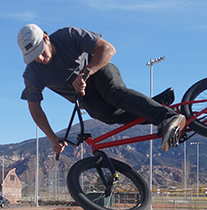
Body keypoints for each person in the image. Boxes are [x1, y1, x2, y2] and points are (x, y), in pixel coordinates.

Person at [17, 24, 186, 156]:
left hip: (97, 71)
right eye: (33, 56)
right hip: (84, 96)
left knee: (115, 94)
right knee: (107, 115)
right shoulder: (32, 74)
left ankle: (167, 116)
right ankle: (160, 111)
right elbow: (35, 108)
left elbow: (108, 49)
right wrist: (52, 137)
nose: (39, 58)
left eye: (40, 51)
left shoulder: (67, 35)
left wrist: (86, 72)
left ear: (46, 38)